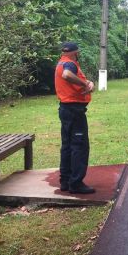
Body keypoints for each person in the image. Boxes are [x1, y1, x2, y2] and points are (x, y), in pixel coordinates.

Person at [54, 42, 96, 194]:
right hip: (74, 110)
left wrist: (88, 83)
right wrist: (85, 83)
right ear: (74, 53)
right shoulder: (69, 64)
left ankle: (65, 181)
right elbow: (67, 75)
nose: (79, 54)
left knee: (67, 146)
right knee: (79, 146)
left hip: (65, 109)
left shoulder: (61, 62)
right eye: (78, 52)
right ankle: (76, 183)